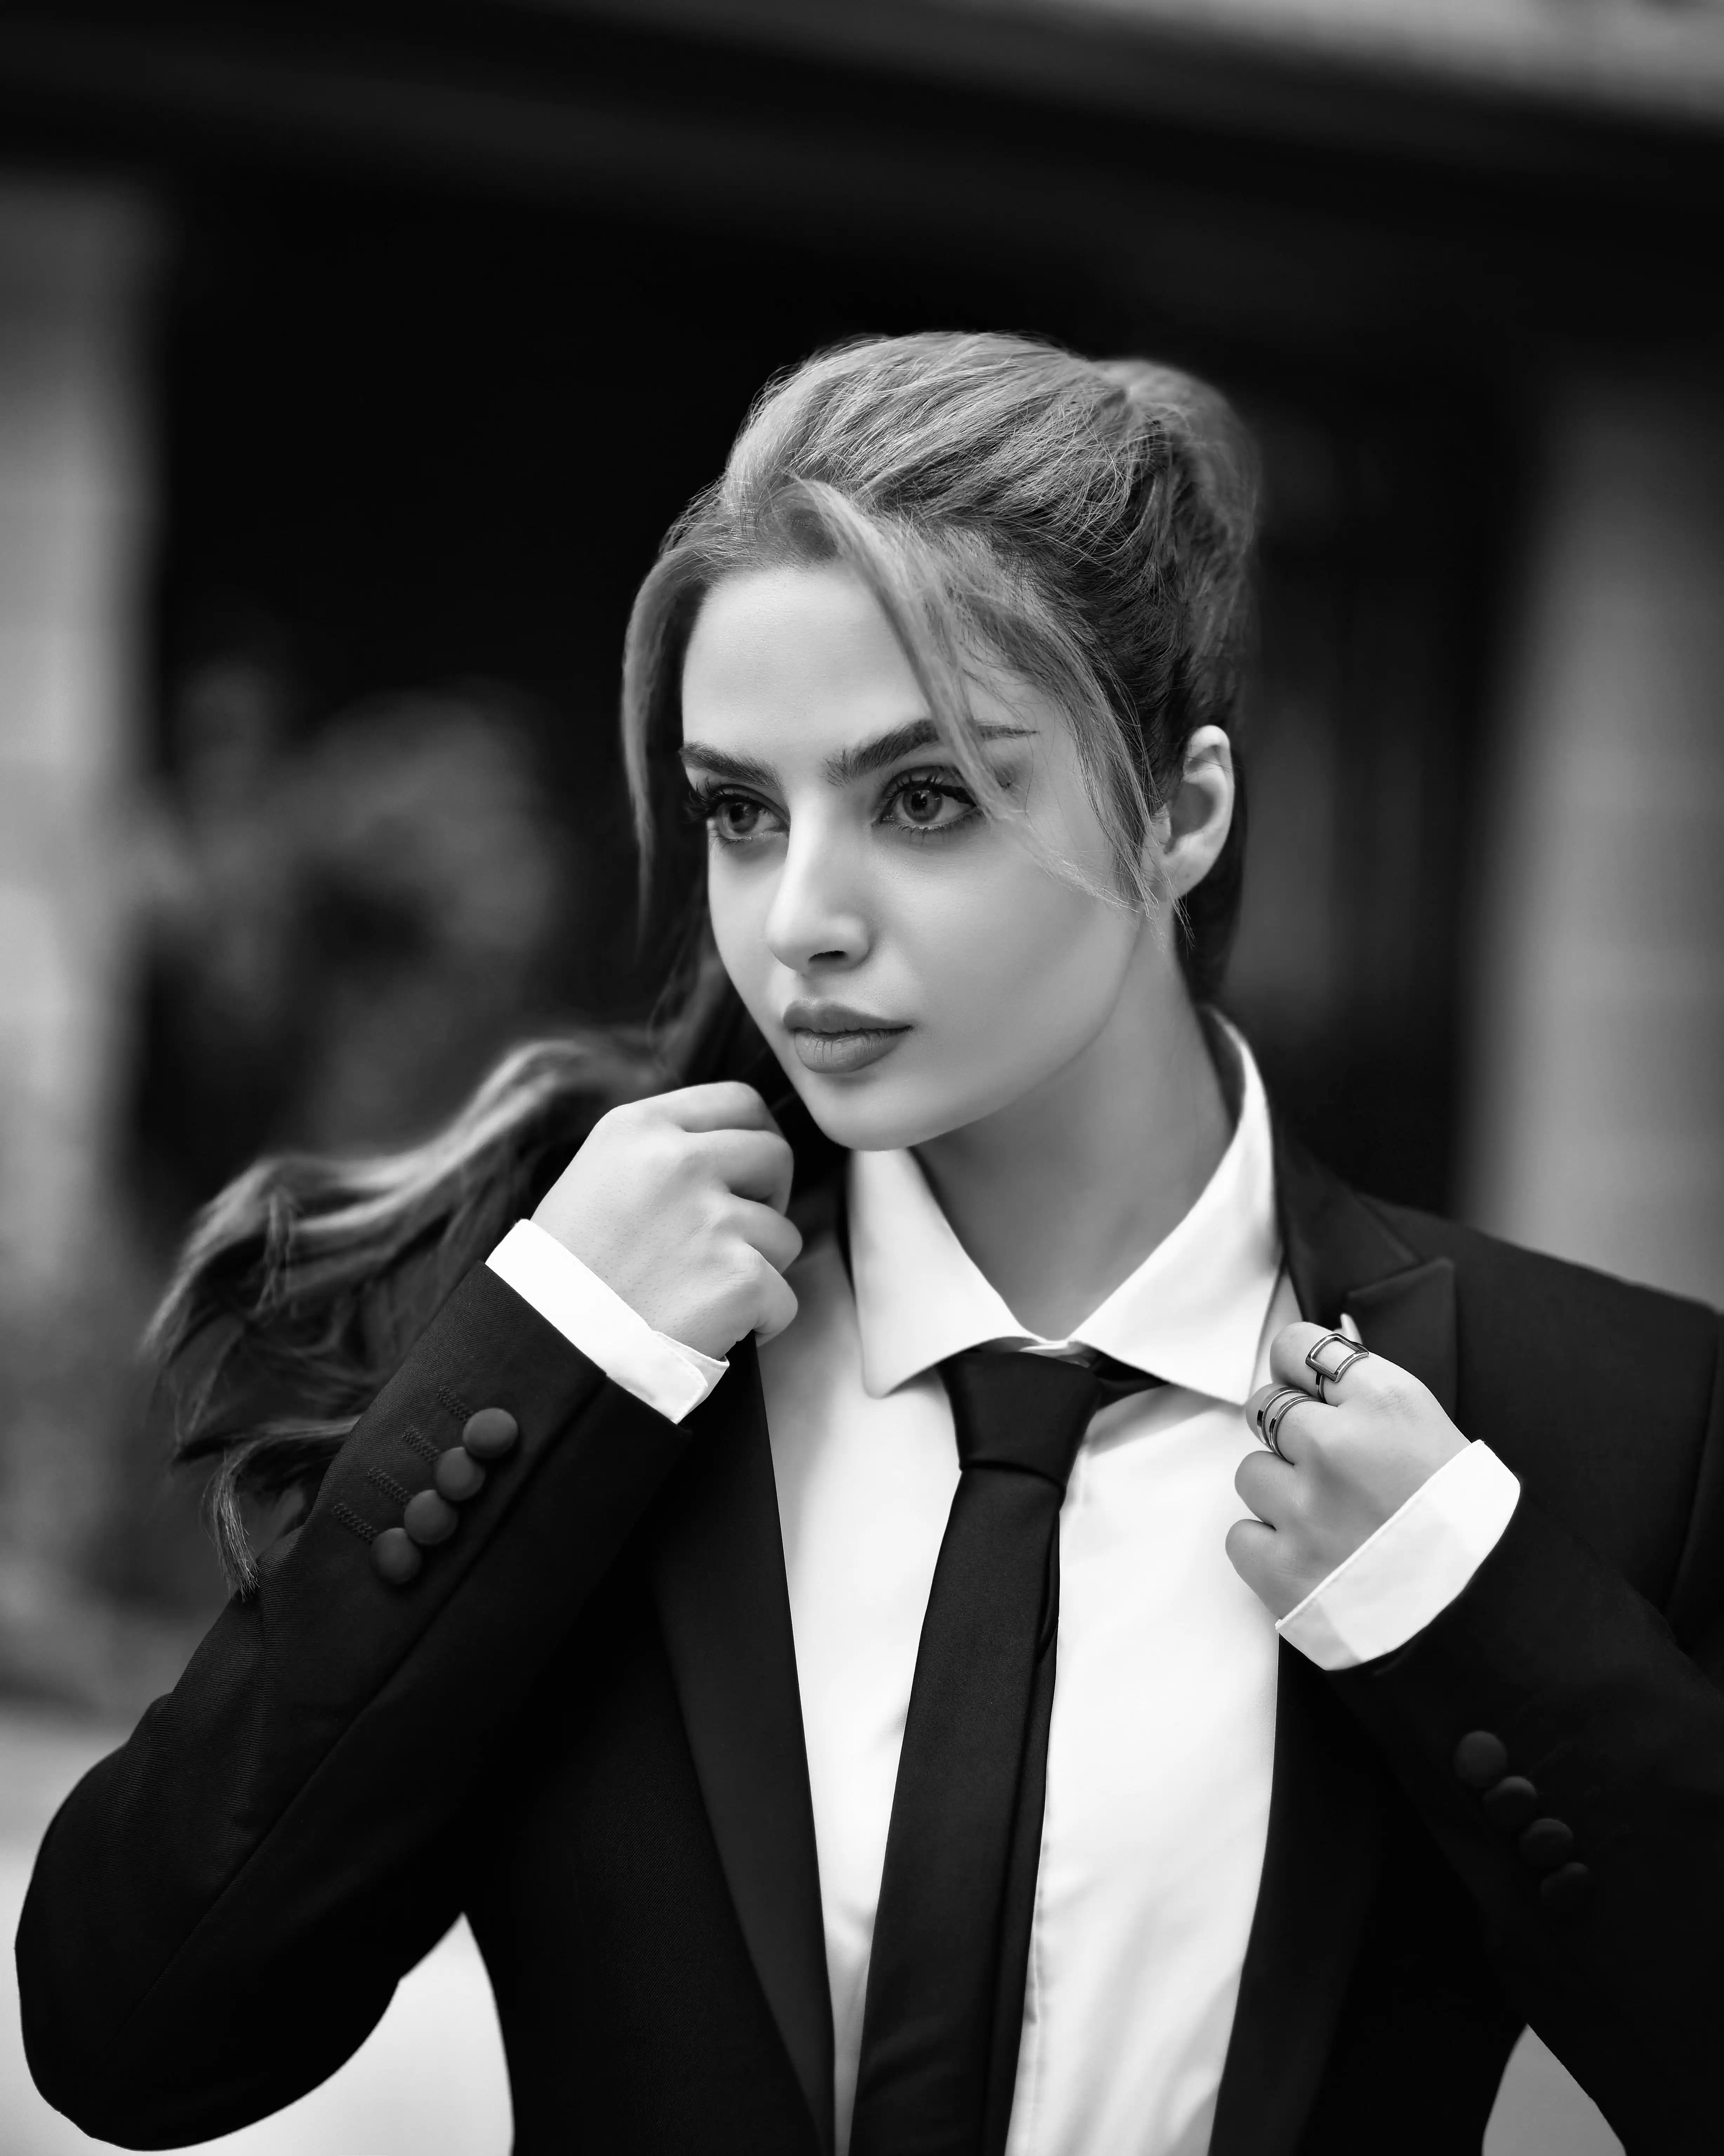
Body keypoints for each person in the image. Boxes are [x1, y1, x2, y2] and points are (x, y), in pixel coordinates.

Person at [17, 334, 1723, 2156]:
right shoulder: (569, 1356)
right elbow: (129, 2032)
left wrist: (1477, 1615)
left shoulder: (1600, 1422)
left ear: (1182, 816)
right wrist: (549, 1363)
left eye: (923, 797)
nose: (798, 919)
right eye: (741, 811)